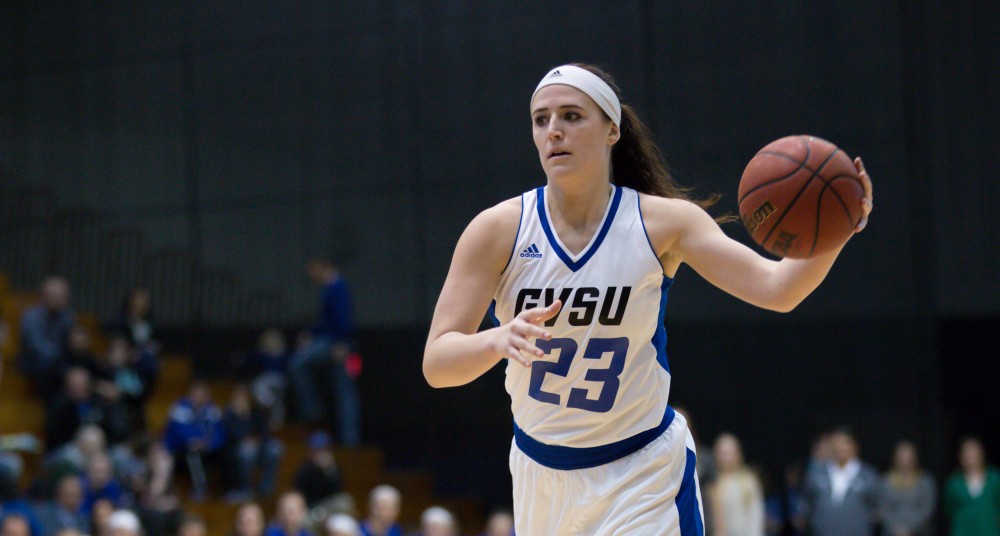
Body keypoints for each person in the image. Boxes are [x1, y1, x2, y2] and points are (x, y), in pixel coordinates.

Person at [421, 63, 874, 535]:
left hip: (642, 471)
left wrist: (839, 226)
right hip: (541, 475)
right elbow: (437, 362)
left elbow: (779, 290)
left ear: (612, 128)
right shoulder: (497, 230)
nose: (554, 130)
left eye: (572, 116)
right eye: (541, 119)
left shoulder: (663, 223)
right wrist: (498, 340)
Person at [288, 258, 361, 446]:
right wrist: (310, 334)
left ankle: (314, 411)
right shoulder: (330, 288)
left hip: (337, 345)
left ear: (323, 267)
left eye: (313, 272)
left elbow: (343, 318)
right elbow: (325, 321)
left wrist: (342, 343)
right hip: (334, 341)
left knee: (298, 363)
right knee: (343, 391)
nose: (312, 277)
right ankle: (348, 440)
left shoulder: (338, 287)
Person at [803, 427, 880, 536]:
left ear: (855, 446)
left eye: (845, 443)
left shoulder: (868, 475)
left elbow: (875, 507)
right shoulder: (816, 474)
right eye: (835, 443)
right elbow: (807, 503)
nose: (839, 447)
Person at [162, 380, 225, 500]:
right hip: (180, 447)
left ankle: (227, 490)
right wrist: (194, 440)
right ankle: (200, 488)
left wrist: (209, 443)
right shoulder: (180, 408)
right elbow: (179, 431)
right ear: (191, 394)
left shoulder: (212, 409)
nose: (200, 396)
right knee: (193, 453)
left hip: (207, 447)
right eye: (197, 393)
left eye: (203, 393)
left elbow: (219, 432)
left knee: (227, 453)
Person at [222, 383, 283, 502]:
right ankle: (245, 489)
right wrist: (241, 417)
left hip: (259, 447)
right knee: (247, 451)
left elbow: (265, 433)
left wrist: (256, 439)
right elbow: (231, 435)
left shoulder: (256, 412)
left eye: (243, 397)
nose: (241, 400)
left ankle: (266, 489)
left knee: (276, 448)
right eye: (238, 397)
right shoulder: (229, 415)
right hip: (235, 451)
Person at [18, 276, 75, 397]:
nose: (59, 300)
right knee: (53, 369)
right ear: (44, 296)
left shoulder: (67, 317)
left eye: (63, 296)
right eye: (54, 295)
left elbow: (72, 343)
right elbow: (37, 347)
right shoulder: (32, 318)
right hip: (33, 362)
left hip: (58, 361)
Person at [710, 433, 765, 536]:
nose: (726, 458)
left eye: (730, 453)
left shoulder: (748, 481)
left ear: (738, 454)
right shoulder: (712, 483)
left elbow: (756, 516)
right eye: (723, 453)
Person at [944, 436, 1000, 536]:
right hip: (962, 532)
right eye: (967, 453)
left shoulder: (994, 478)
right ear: (961, 457)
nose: (971, 456)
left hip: (989, 531)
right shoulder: (954, 482)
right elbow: (949, 508)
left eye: (974, 452)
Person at [879, 440, 936, 536]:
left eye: (908, 457)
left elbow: (927, 508)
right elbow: (882, 508)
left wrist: (909, 529)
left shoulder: (925, 481)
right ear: (895, 458)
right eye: (901, 457)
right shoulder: (885, 481)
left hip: (919, 531)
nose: (904, 461)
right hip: (892, 532)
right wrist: (897, 530)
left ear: (915, 459)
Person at [292, 431, 343, 508]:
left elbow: (337, 494)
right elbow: (298, 494)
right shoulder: (304, 470)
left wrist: (328, 471)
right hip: (309, 510)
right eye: (316, 450)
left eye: (323, 450)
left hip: (329, 509)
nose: (320, 454)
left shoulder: (334, 470)